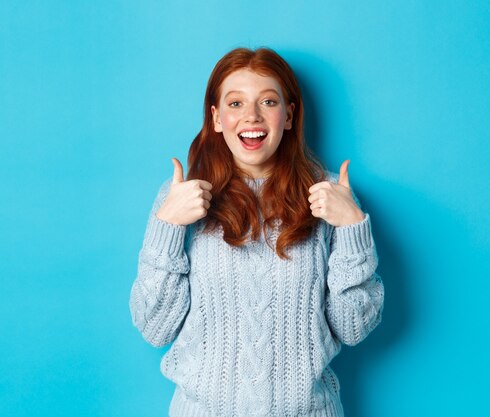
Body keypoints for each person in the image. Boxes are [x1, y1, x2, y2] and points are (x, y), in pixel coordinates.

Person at [129, 47, 384, 417]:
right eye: (235, 103)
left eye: (267, 101)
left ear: (289, 115)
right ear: (216, 118)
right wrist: (166, 227)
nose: (251, 115)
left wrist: (352, 229)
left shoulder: (330, 195)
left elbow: (354, 327)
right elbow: (155, 328)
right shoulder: (180, 199)